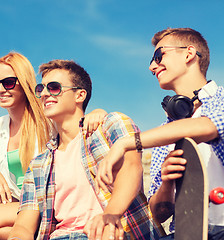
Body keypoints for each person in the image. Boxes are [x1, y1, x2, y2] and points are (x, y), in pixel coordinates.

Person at [8, 59, 164, 240]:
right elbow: (24, 224)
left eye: (53, 87)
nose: (44, 94)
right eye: (40, 89)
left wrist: (109, 216)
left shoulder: (111, 125)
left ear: (80, 95)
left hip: (114, 233)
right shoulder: (38, 165)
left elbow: (132, 168)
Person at [94, 28, 224, 239]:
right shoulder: (164, 134)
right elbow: (157, 212)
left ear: (188, 53)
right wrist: (167, 181)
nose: (152, 66)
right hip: (182, 233)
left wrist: (126, 143)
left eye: (158, 56)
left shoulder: (221, 100)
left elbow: (208, 127)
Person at [0, 52, 108, 240]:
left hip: (46, 202)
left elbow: (77, 124)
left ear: (24, 82)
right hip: (20, 204)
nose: (0, 89)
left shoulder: (47, 117)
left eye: (8, 82)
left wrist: (99, 112)